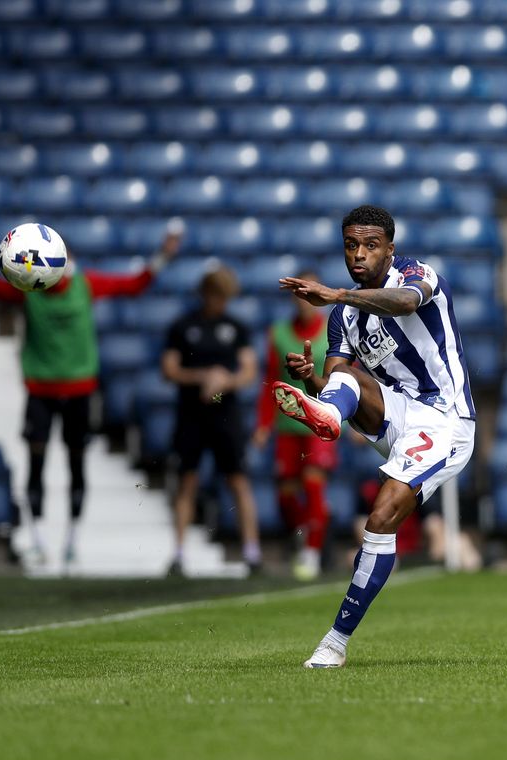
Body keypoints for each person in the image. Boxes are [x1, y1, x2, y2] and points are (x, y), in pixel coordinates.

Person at [271, 204, 476, 668]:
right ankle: (325, 417)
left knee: (381, 517)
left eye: (370, 245)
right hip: (395, 412)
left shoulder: (417, 274)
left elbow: (405, 303)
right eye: (350, 245)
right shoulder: (342, 317)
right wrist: (310, 382)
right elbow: (335, 376)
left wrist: (338, 294)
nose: (358, 254)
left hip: (445, 419)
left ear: (390, 248)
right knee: (344, 380)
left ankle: (334, 642)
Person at [0, 226, 182, 566]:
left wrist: (164, 256)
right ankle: (38, 537)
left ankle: (72, 539)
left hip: (79, 389)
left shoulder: (86, 285)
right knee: (36, 463)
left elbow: (135, 284)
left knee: (76, 463)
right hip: (40, 389)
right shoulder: (29, 290)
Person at [162, 265, 260, 577]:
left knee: (238, 480)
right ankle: (178, 553)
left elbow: (248, 370)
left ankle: (251, 551)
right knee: (187, 480)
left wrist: (224, 381)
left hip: (225, 412)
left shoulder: (236, 327)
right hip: (192, 412)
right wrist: (203, 376)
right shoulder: (183, 326)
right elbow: (169, 369)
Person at [252, 271, 337, 581]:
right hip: (287, 426)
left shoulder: (331, 331)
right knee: (286, 496)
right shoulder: (278, 333)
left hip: (319, 424)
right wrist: (262, 424)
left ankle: (312, 554)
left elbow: (344, 376)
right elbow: (270, 382)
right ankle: (313, 529)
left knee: (313, 484)